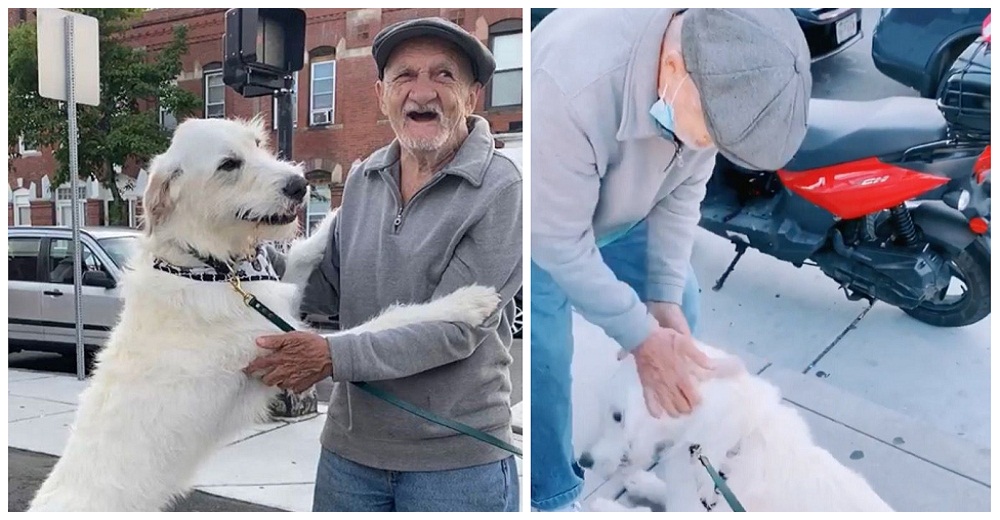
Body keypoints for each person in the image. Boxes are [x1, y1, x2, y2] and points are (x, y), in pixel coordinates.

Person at [529, 8, 812, 511]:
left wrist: (659, 298)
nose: (708, 147)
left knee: (681, 307)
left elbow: (682, 193)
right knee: (544, 355)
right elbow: (559, 244)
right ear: (676, 68)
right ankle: (551, 492)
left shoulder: (713, 82)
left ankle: (661, 441)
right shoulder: (568, 87)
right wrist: (638, 335)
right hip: (545, 223)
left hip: (623, 208)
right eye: (709, 135)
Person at [245, 17, 522, 512]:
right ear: (381, 94)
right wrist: (236, 257)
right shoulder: (362, 179)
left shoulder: (502, 189)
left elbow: (454, 327)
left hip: (456, 466)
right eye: (404, 76)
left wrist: (330, 357)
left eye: (443, 76)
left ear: (472, 96)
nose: (423, 92)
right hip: (350, 456)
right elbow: (321, 293)